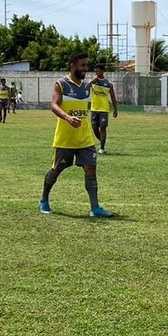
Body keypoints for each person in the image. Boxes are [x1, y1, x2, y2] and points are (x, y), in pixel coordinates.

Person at [39, 52, 114, 217]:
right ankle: (44, 199)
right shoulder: (61, 84)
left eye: (87, 65)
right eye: (82, 65)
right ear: (72, 64)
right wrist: (67, 117)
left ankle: (95, 208)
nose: (85, 69)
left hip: (85, 139)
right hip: (65, 139)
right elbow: (54, 105)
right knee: (56, 170)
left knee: (91, 170)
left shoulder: (87, 87)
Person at [90, 64, 118, 154]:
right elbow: (84, 87)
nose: (96, 73)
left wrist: (115, 109)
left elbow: (113, 96)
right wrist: (91, 81)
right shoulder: (93, 82)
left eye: (97, 71)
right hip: (94, 109)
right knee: (94, 128)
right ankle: (102, 140)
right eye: (95, 71)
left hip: (104, 109)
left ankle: (102, 148)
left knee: (103, 128)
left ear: (102, 71)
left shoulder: (109, 84)